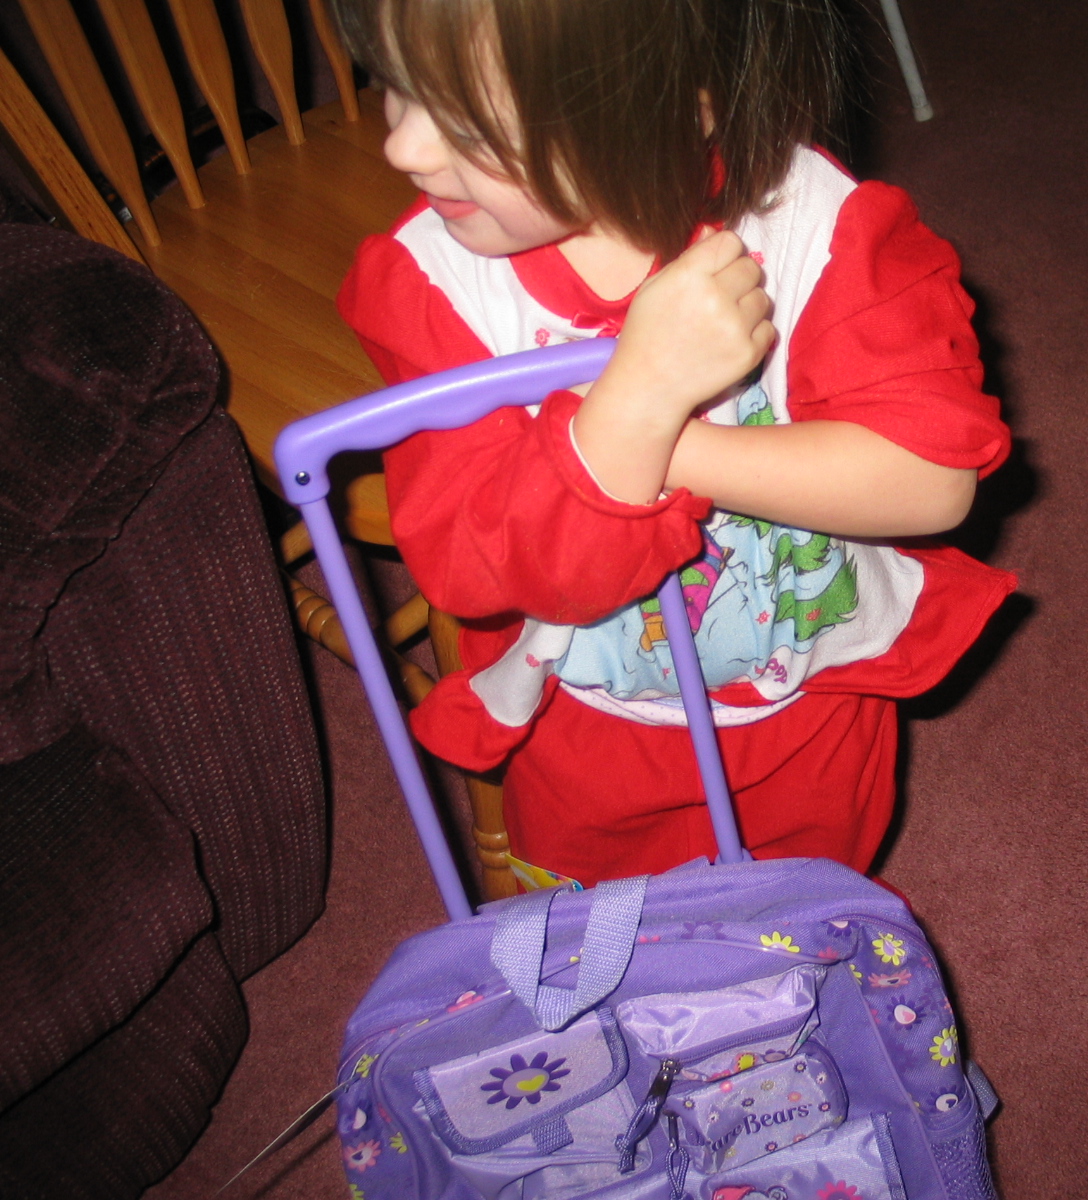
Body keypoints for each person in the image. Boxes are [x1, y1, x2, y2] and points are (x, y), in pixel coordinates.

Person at [333, 0, 1016, 888]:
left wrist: (665, 435)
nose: (405, 147)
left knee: (798, 911)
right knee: (601, 930)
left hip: (807, 699)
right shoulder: (434, 283)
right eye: (394, 82)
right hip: (586, 721)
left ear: (684, 104)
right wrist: (634, 404)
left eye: (470, 120)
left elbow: (931, 478)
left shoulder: (811, 224)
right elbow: (472, 566)